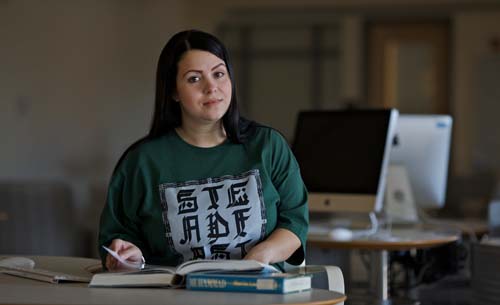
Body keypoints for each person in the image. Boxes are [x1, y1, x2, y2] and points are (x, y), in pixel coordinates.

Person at [98, 29, 309, 271]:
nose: (212, 87)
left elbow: (295, 223)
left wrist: (261, 255)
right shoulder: (142, 162)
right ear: (173, 91)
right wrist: (129, 257)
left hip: (258, 291)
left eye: (219, 74)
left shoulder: (268, 146)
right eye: (194, 79)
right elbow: (118, 239)